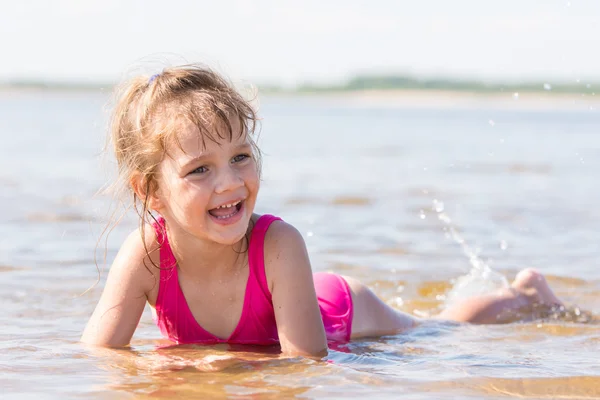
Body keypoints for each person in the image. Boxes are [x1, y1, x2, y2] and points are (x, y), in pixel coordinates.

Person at [81, 64, 563, 357]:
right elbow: (100, 355)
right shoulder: (146, 254)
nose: (229, 183)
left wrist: (209, 364)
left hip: (338, 312)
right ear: (150, 192)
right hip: (289, 305)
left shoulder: (278, 244)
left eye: (240, 157)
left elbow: (305, 363)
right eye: (199, 170)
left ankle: (522, 295)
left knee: (441, 332)